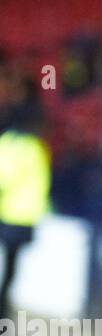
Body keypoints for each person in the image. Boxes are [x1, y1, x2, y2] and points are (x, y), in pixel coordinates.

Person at [0, 56, 50, 322]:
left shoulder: (12, 144)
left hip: (11, 216)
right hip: (21, 218)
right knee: (10, 273)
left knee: (8, 274)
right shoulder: (36, 149)